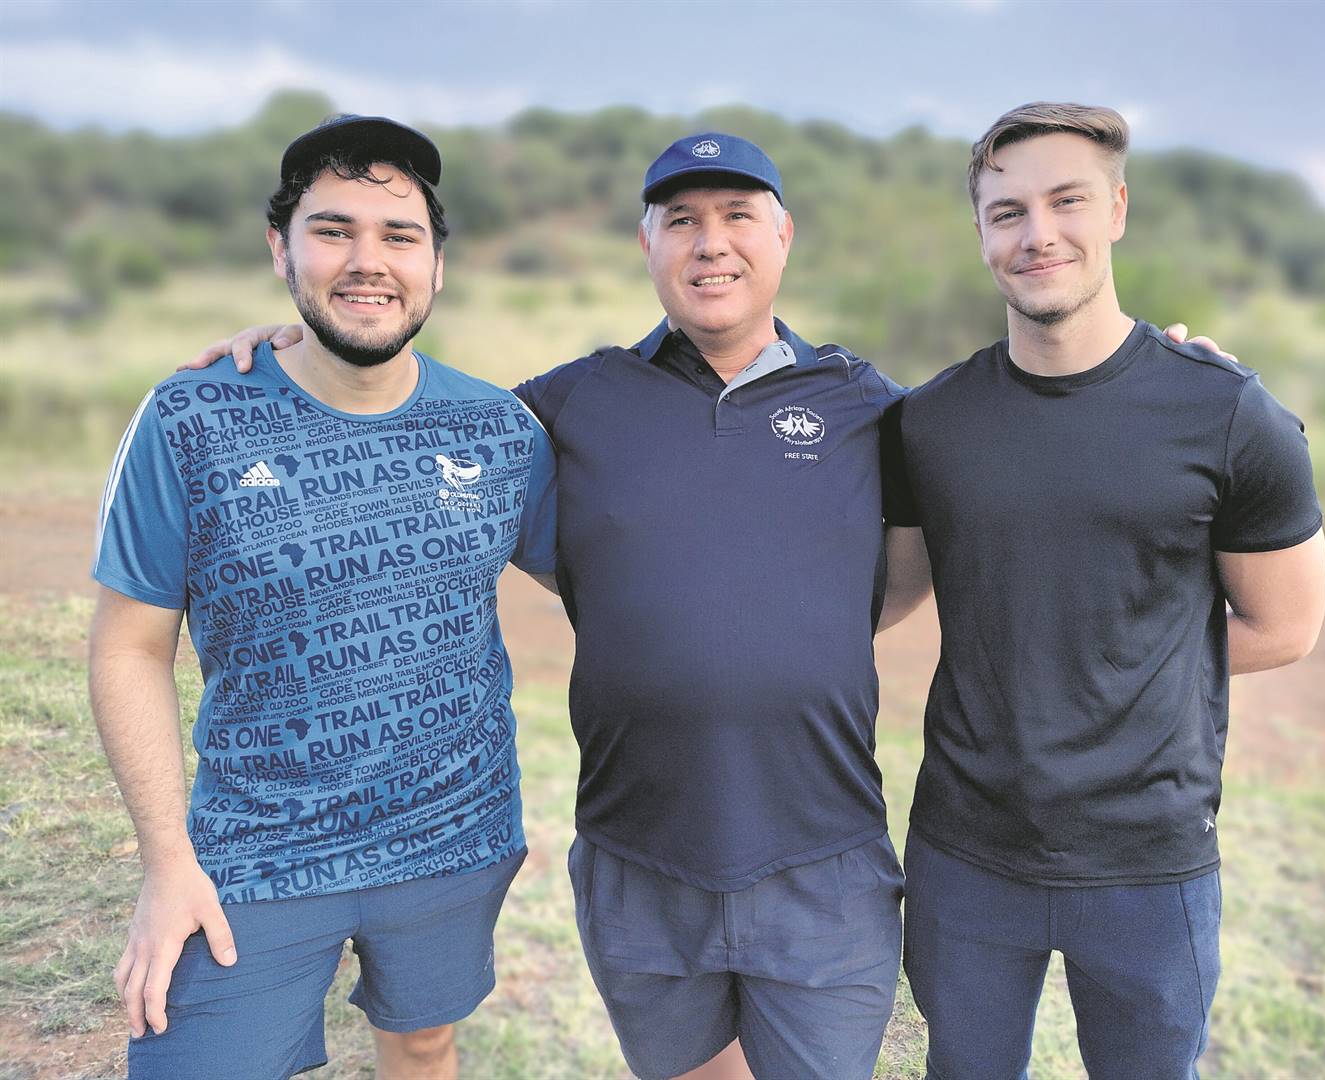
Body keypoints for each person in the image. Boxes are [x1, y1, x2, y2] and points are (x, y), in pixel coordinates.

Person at [187, 128, 1226, 1080]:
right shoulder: (567, 403)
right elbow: (406, 412)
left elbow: (973, 491)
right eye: (680, 219)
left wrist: (1162, 371)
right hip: (639, 854)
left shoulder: (873, 407)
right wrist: (299, 345)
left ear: (783, 235)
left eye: (736, 215)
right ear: (646, 245)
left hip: (821, 855)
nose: (710, 242)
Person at [89, 114, 557, 1080]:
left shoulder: (501, 429)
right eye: (333, 230)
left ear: (437, 266)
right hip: (252, 852)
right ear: (281, 249)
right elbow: (130, 647)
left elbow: (614, 584)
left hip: (454, 834)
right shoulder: (192, 417)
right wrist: (167, 864)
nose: (367, 261)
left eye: (399, 235)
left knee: (423, 1041)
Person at [886, 102, 1325, 1079]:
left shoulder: (1228, 413)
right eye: (1008, 211)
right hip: (966, 851)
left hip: (1148, 861)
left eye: (1068, 201)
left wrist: (1118, 662)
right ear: (980, 232)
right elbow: (884, 596)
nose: (1038, 233)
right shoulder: (929, 423)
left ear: (1117, 209)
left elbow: (1287, 625)